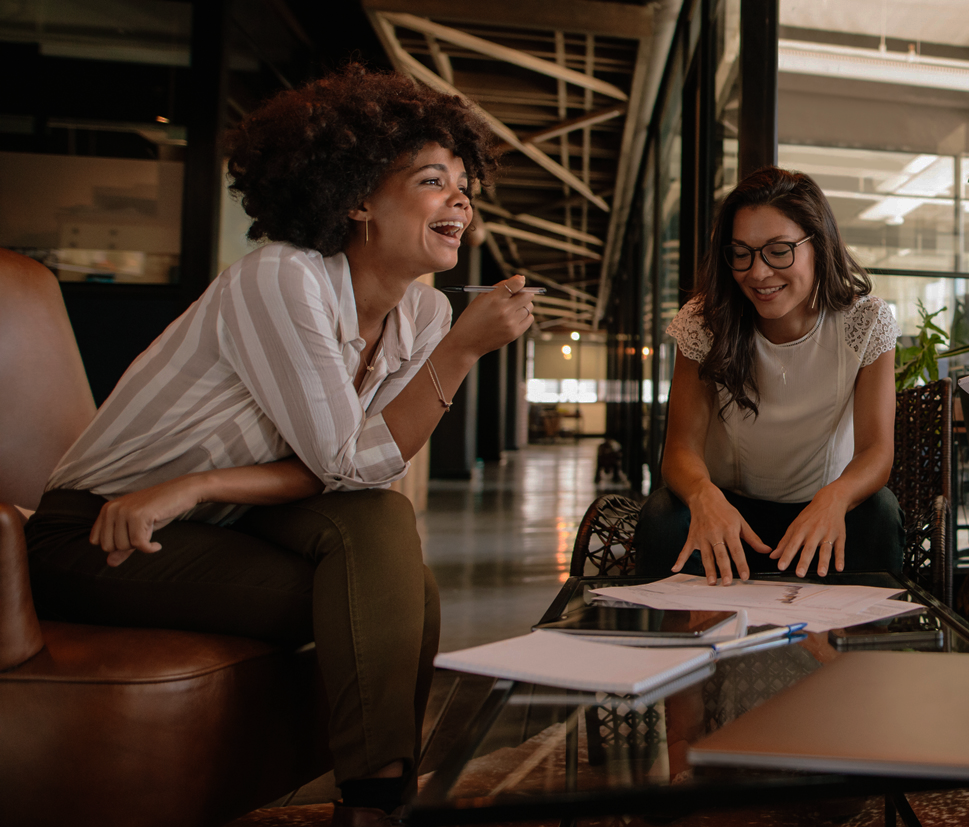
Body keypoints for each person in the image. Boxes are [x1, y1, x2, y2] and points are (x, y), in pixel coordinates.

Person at [22, 66, 533, 827]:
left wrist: (194, 487)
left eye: (465, 182)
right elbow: (348, 461)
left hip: (212, 518)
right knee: (398, 595)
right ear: (356, 198)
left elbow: (352, 473)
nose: (460, 198)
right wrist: (460, 354)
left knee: (382, 530)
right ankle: (380, 800)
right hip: (95, 534)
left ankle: (372, 800)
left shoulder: (422, 314)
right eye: (433, 180)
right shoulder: (283, 278)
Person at [632, 167, 901, 585]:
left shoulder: (864, 321)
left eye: (778, 251)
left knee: (879, 513)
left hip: (822, 505)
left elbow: (876, 451)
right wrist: (704, 496)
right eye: (741, 253)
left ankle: (857, 648)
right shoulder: (705, 321)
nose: (757, 273)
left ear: (819, 245)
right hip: (730, 510)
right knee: (664, 518)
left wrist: (836, 497)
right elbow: (681, 448)